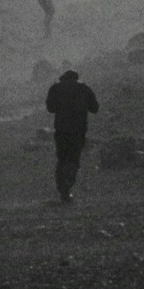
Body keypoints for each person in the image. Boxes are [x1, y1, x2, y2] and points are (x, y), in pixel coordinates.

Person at [44, 69, 99, 203]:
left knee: (62, 159)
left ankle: (63, 189)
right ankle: (67, 185)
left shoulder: (55, 88)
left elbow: (50, 108)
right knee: (74, 159)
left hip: (61, 129)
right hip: (78, 130)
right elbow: (95, 108)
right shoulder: (84, 88)